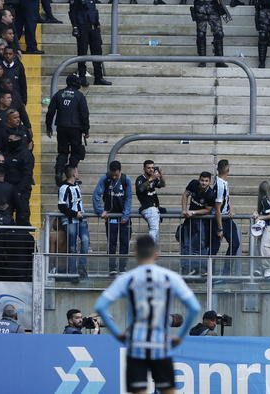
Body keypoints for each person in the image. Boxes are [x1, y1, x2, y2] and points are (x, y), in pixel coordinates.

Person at [94, 235, 201, 394]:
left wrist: (118, 334)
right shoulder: (170, 277)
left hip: (136, 346)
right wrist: (180, 336)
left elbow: (100, 306)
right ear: (156, 253)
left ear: (135, 252)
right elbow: (194, 308)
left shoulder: (128, 278)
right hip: (161, 347)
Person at [68, 0, 111, 87]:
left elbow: (93, 10)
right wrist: (75, 27)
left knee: (97, 52)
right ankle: (82, 77)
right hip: (83, 27)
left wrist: (98, 23)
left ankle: (99, 77)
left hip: (94, 27)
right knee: (82, 52)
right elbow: (72, 12)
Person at [46, 73, 89, 184]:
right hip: (75, 128)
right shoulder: (79, 96)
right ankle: (70, 170)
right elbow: (84, 114)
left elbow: (50, 112)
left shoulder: (58, 94)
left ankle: (59, 172)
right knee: (76, 152)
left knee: (63, 152)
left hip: (61, 127)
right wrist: (86, 130)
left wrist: (48, 127)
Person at [93, 161, 133, 276]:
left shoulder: (126, 180)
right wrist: (100, 211)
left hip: (123, 216)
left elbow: (128, 198)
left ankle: (123, 267)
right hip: (111, 216)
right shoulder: (105, 179)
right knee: (112, 241)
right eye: (112, 174)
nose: (114, 177)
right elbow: (96, 194)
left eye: (116, 174)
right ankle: (112, 267)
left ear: (120, 171)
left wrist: (125, 215)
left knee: (125, 241)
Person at [180, 171, 216, 277]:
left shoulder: (210, 194)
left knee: (200, 244)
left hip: (201, 221)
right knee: (186, 244)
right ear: (199, 179)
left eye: (206, 181)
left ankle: (202, 269)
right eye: (202, 180)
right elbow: (185, 195)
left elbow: (208, 210)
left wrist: (194, 212)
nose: (203, 183)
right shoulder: (193, 184)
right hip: (189, 219)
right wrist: (184, 210)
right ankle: (186, 269)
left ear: (209, 182)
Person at [250, 180, 270, 279]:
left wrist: (260, 217)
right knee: (259, 247)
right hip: (266, 227)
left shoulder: (264, 200)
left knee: (265, 248)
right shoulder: (267, 200)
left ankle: (267, 268)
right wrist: (257, 213)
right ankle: (261, 268)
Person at [135, 160, 165, 242]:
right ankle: (148, 249)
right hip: (148, 207)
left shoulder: (154, 178)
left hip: (155, 207)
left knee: (156, 232)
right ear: (144, 168)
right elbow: (140, 189)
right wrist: (151, 179)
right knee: (154, 230)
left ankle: (153, 251)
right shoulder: (140, 179)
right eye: (148, 168)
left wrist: (161, 176)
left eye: (152, 168)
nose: (151, 170)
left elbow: (162, 185)